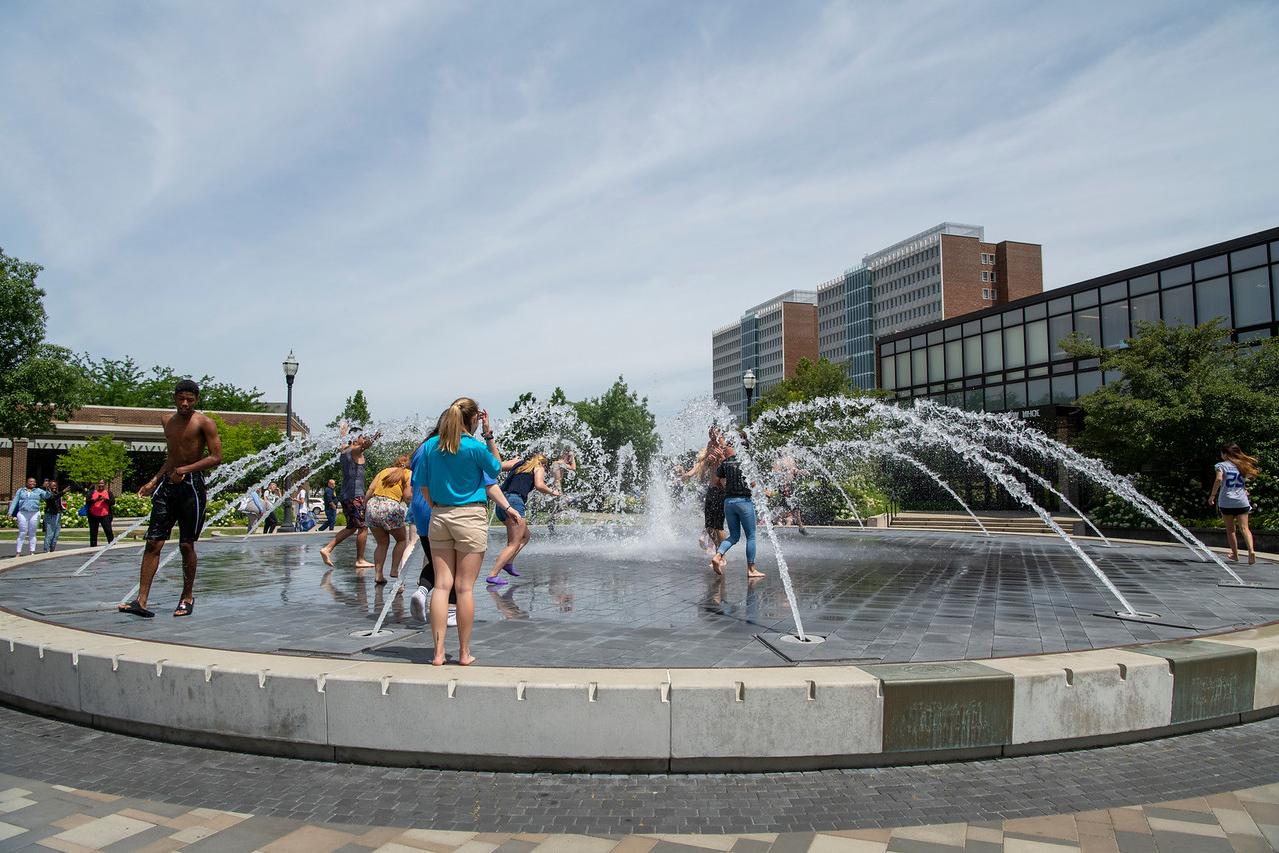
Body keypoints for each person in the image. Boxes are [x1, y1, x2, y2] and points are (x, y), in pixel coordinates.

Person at [414, 398, 518, 666]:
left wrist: (436, 505)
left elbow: (422, 485)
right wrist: (489, 433)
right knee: (464, 588)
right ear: (473, 419)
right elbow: (497, 467)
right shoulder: (474, 447)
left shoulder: (430, 448)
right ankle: (463, 653)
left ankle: (437, 654)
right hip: (470, 517)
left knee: (441, 586)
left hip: (439, 516)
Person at [119, 379, 222, 618]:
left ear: (196, 400)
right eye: (181, 398)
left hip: (192, 488)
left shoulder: (204, 423)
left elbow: (216, 457)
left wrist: (185, 471)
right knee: (153, 542)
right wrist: (154, 480)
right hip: (168, 485)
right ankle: (141, 600)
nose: (185, 403)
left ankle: (187, 596)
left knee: (186, 544)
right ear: (174, 398)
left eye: (190, 399)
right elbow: (172, 458)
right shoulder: (167, 420)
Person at [486, 453, 561, 586]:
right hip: (515, 502)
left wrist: (513, 460)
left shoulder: (519, 463)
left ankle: (508, 562)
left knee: (526, 535)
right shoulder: (538, 467)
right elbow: (539, 485)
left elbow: (497, 466)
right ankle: (493, 574)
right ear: (542, 462)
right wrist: (552, 492)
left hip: (501, 502)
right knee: (513, 543)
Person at [319, 431, 378, 568]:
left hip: (346, 495)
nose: (364, 438)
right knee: (363, 527)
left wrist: (343, 432)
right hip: (355, 495)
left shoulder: (344, 450)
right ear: (356, 440)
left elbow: (344, 443)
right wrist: (377, 436)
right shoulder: (355, 451)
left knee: (352, 527)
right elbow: (367, 445)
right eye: (362, 436)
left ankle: (327, 549)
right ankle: (360, 560)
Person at [711, 438, 765, 580]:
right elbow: (753, 484)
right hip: (744, 502)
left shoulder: (726, 463)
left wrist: (726, 487)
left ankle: (718, 556)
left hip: (728, 502)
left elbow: (715, 481)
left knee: (734, 536)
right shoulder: (747, 462)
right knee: (751, 536)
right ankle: (751, 569)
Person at [365, 455, 413, 585]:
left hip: (373, 505)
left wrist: (364, 505)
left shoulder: (384, 471)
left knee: (381, 543)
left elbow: (370, 489)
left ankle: (378, 575)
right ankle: (394, 570)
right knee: (401, 539)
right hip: (390, 507)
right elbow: (408, 496)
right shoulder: (408, 473)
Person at [1210, 443, 1259, 566]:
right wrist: (1243, 488)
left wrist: (1212, 496)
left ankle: (1235, 554)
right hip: (1241, 501)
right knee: (1245, 528)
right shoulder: (1242, 465)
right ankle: (1251, 551)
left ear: (1225, 454)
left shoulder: (1221, 465)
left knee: (1231, 530)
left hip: (1226, 501)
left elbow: (1219, 479)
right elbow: (1251, 475)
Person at [8, 477, 48, 557]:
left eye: (34, 482)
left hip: (34, 513)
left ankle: (32, 551)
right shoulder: (21, 490)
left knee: (32, 533)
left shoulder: (39, 491)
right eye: (30, 481)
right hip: (23, 513)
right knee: (22, 532)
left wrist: (46, 488)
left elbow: (48, 496)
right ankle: (18, 552)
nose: (32, 483)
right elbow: (15, 501)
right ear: (27, 483)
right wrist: (10, 512)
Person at [546, 449, 577, 535]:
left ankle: (551, 522)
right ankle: (551, 521)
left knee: (559, 506)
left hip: (554, 486)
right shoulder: (560, 463)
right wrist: (573, 457)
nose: (569, 459)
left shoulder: (555, 463)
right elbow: (573, 468)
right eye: (568, 457)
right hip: (557, 487)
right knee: (562, 506)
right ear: (564, 455)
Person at [86, 479, 115, 547]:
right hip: (93, 516)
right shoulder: (92, 492)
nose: (100, 485)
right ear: (97, 484)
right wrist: (96, 499)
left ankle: (112, 546)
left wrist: (105, 499)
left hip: (105, 515)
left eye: (102, 483)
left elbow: (113, 502)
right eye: (99, 483)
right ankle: (93, 547)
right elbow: (87, 501)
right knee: (93, 533)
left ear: (104, 484)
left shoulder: (108, 492)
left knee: (108, 531)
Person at [42, 482, 66, 552]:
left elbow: (58, 501)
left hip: (58, 515)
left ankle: (52, 551)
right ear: (49, 487)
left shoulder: (57, 494)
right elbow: (52, 498)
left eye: (55, 486)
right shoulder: (47, 494)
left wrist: (62, 508)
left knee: (56, 535)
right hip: (50, 515)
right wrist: (63, 492)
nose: (54, 487)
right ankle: (46, 551)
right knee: (49, 534)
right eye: (52, 486)